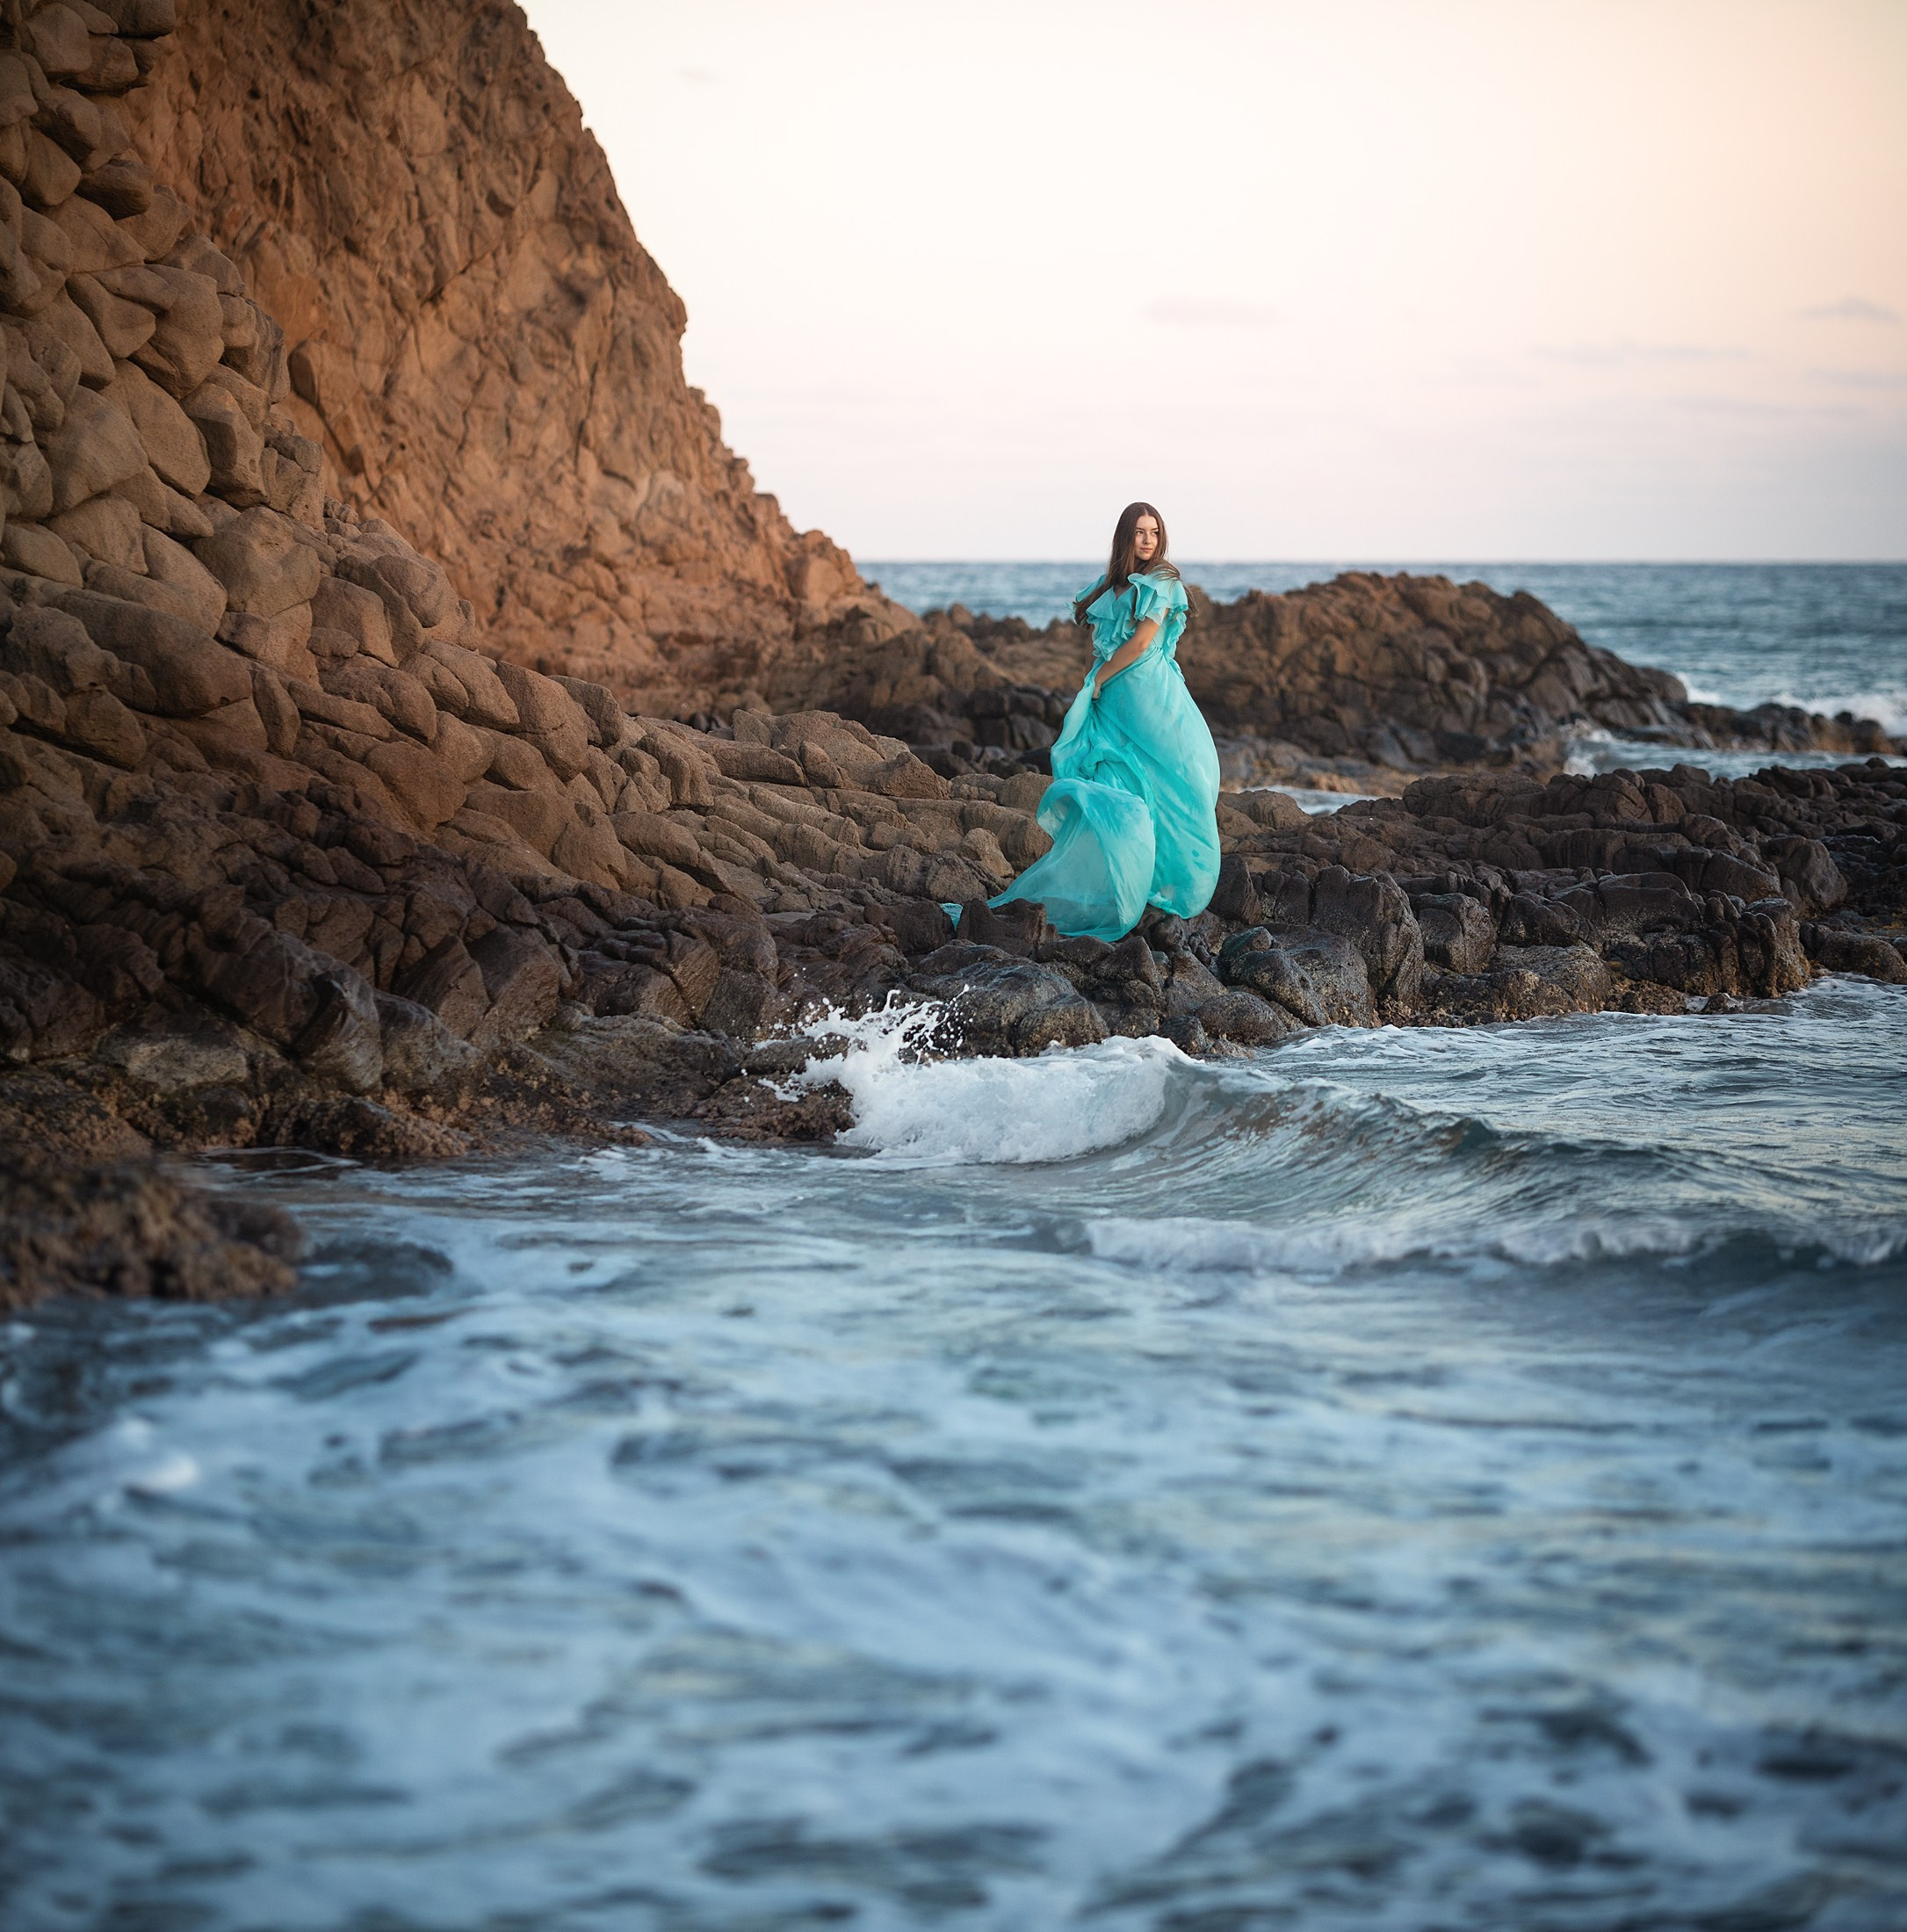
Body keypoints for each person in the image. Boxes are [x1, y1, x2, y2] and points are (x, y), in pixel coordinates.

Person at [987, 502, 1221, 942]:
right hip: (1117, 697)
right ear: (1125, 537)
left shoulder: (1164, 580)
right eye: (1139, 532)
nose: (1148, 540)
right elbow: (1085, 615)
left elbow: (1141, 642)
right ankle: (1134, 877)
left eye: (1154, 532)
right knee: (1127, 780)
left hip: (1148, 692)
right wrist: (1100, 677)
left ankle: (1172, 880)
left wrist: (1098, 679)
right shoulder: (1111, 584)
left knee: (1182, 775)